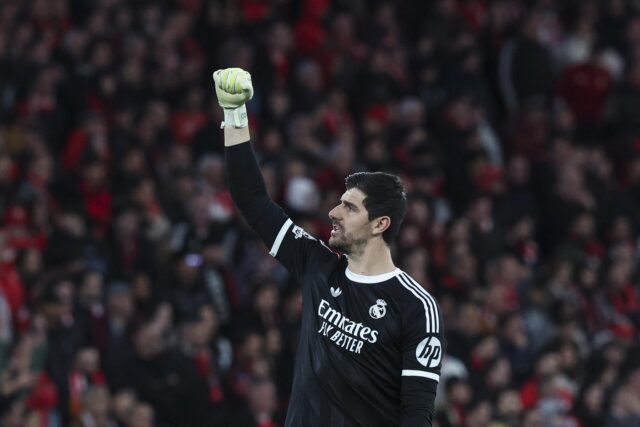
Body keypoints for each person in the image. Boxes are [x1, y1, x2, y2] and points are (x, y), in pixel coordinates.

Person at [214, 68, 444, 426]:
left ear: (380, 224)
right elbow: (252, 199)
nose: (333, 212)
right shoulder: (317, 264)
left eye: (349, 208)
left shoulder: (415, 307)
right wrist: (234, 114)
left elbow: (417, 415)